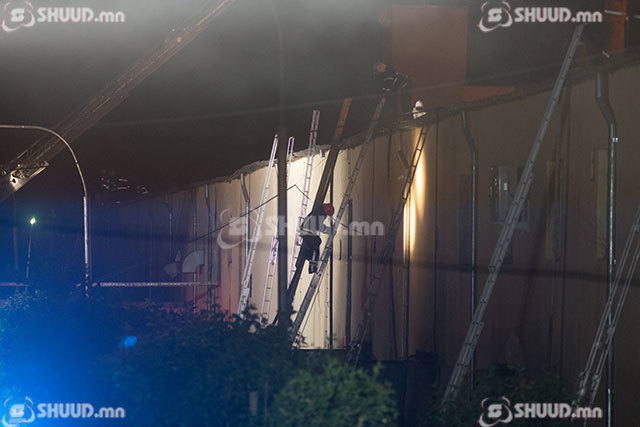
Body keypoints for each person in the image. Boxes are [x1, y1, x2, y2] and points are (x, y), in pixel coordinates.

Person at [299, 203, 335, 274]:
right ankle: (312, 267)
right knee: (315, 248)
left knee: (317, 241)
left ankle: (307, 255)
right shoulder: (319, 214)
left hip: (307, 232)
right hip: (307, 233)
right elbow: (320, 227)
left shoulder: (318, 212)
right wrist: (330, 231)